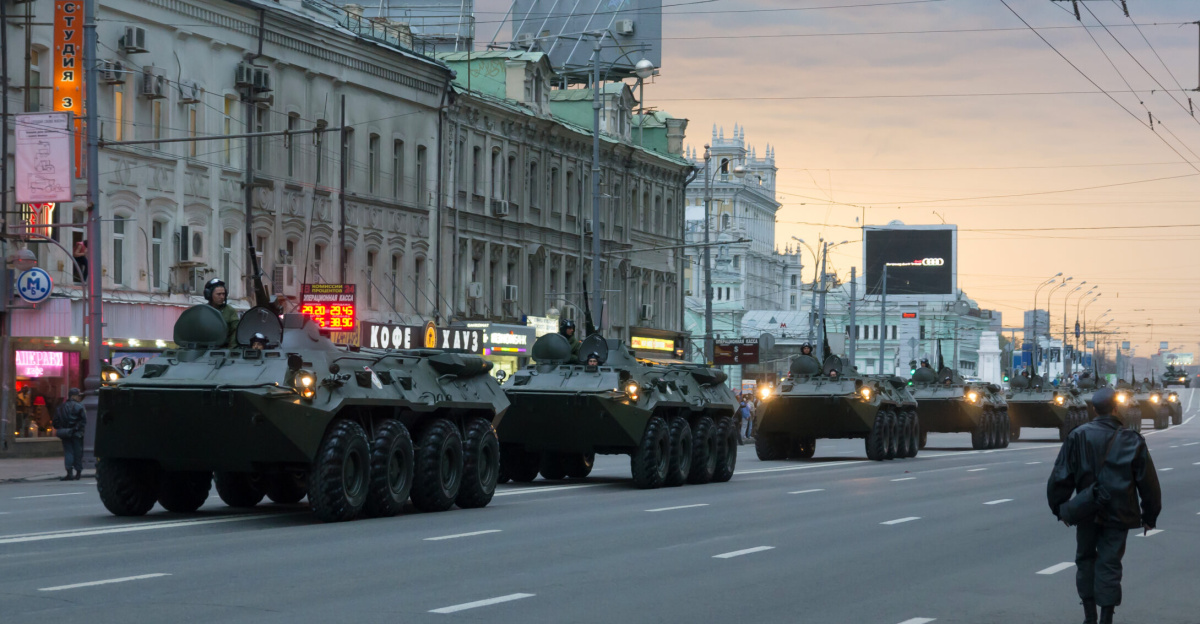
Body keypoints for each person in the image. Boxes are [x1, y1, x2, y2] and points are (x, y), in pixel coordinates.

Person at [1047, 387, 1161, 624]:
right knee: (1110, 564)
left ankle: (1089, 616)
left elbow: (1060, 476)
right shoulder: (1132, 439)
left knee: (1085, 561)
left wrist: (1061, 509)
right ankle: (1106, 618)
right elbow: (1148, 483)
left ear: (1093, 409)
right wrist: (1149, 516)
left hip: (1086, 511)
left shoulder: (1078, 436)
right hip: (1119, 514)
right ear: (1116, 408)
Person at [52, 388, 87, 481]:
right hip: (77, 434)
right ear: (73, 396)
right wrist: (75, 429)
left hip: (65, 433)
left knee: (68, 452)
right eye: (78, 395)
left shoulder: (61, 407)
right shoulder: (80, 406)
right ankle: (78, 473)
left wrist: (63, 428)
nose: (80, 397)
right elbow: (83, 421)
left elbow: (55, 422)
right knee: (77, 452)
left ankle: (69, 473)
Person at [204, 278, 239, 348]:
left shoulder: (229, 311)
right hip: (203, 349)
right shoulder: (203, 311)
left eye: (223, 294)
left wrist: (231, 351)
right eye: (218, 294)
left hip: (224, 350)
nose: (222, 297)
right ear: (209, 294)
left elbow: (236, 331)